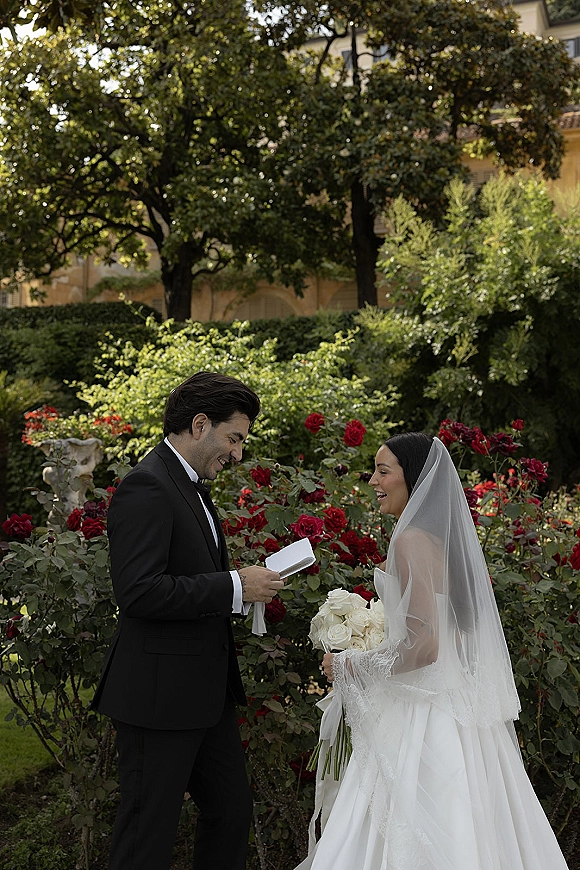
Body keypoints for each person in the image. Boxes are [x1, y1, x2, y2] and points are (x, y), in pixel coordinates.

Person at [297, 433, 569, 870]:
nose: (373, 481)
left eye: (383, 471)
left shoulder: (410, 540)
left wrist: (351, 663)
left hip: (421, 714)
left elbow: (424, 646)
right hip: (459, 708)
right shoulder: (443, 543)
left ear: (413, 477)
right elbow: (452, 635)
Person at [92, 371, 284, 870]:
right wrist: (234, 586)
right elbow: (138, 592)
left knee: (231, 812)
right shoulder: (147, 485)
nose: (238, 454)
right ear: (200, 425)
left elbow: (188, 577)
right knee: (146, 836)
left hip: (204, 694)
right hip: (157, 695)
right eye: (234, 438)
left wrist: (241, 589)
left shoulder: (188, 484)